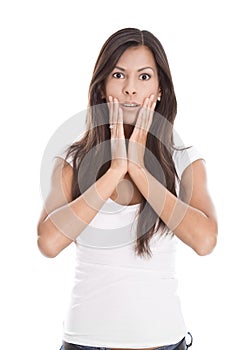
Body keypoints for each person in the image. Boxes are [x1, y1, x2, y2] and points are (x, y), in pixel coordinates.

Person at [37, 28, 218, 350]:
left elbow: (204, 241)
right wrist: (116, 169)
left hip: (165, 342)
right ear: (102, 85)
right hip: (86, 343)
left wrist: (139, 168)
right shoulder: (70, 161)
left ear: (161, 89)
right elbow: (49, 243)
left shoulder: (185, 160)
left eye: (144, 77)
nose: (131, 89)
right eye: (119, 75)